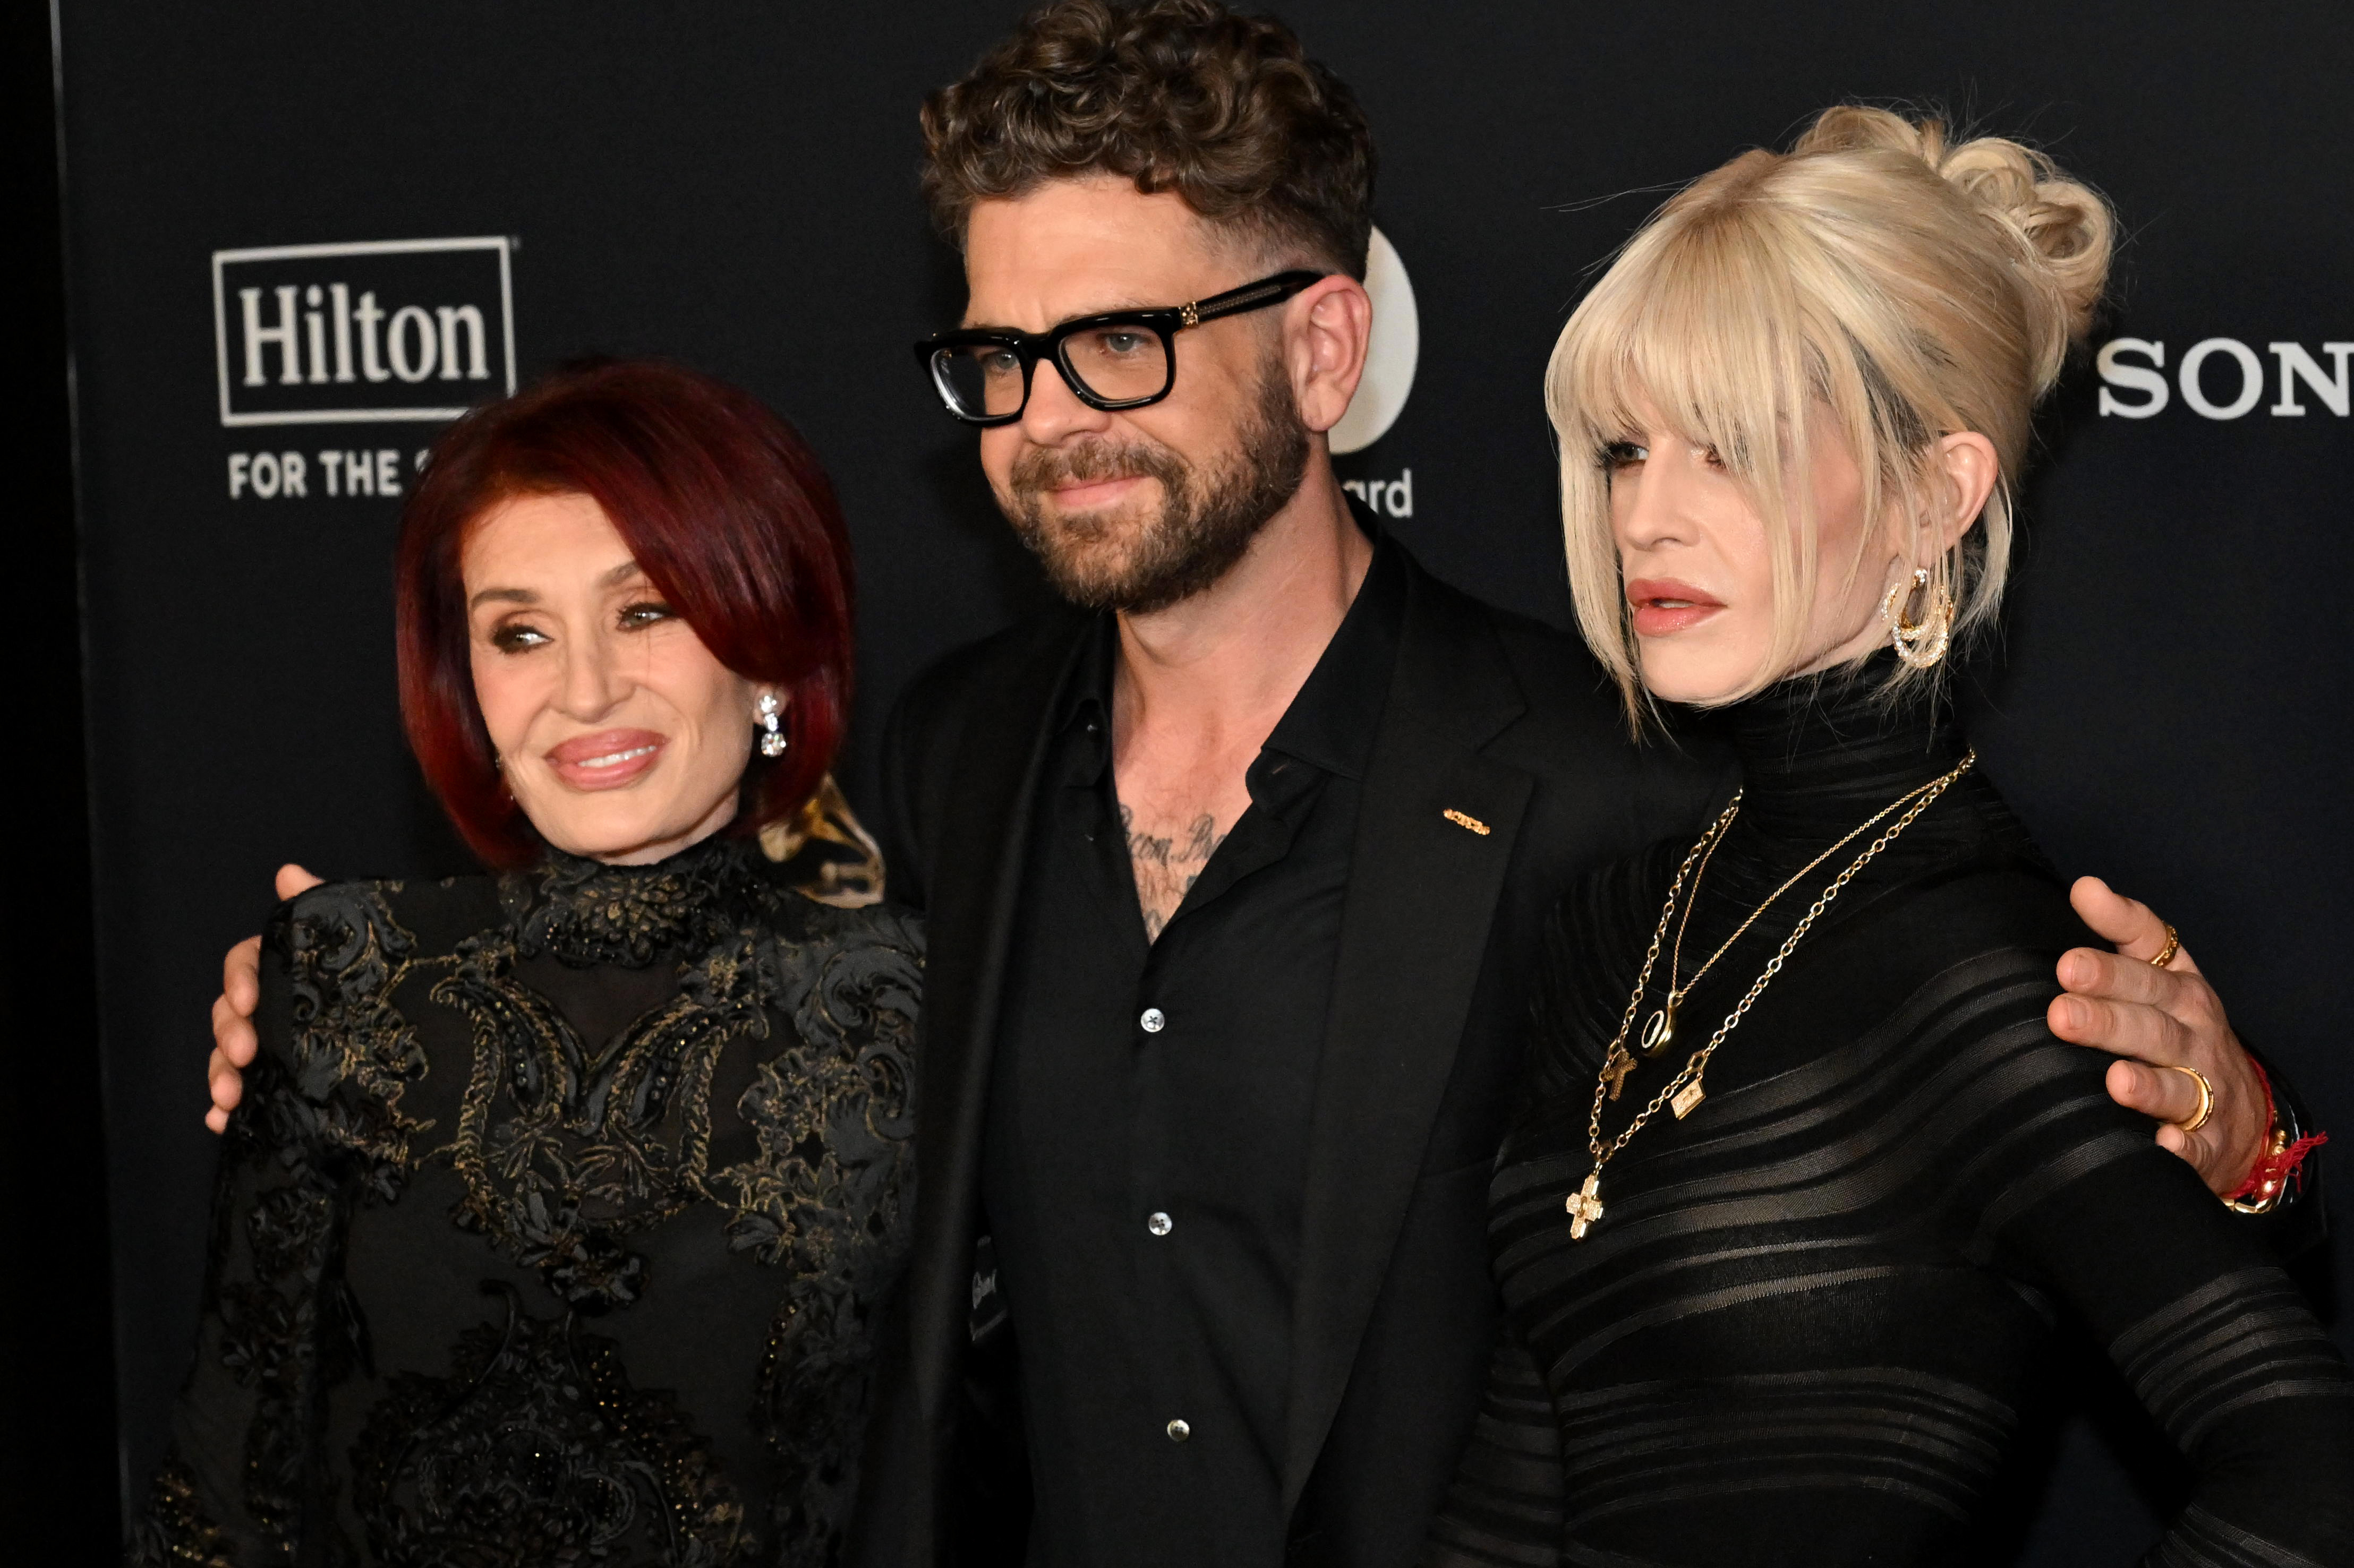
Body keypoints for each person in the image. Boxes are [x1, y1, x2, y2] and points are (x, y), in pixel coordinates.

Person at [203, 5, 2318, 1565]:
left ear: (1320, 352)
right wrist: (382, 1007)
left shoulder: (1617, 790)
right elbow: (725, 1049)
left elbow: (1927, 1246)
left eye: (1122, 341)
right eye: (1001, 358)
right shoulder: (950, 755)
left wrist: (2244, 1157)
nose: (1051, 417)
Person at [1420, 109, 2350, 1568]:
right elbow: (1523, 1480)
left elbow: (2308, 1473)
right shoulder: (1620, 924)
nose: (1645, 517)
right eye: (1623, 448)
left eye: (1729, 449)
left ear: (1935, 495)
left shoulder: (1987, 970)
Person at [136, 361, 923, 1567]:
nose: (585, 690)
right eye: (521, 632)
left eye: (645, 611)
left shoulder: (915, 1009)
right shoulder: (348, 977)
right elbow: (225, 1500)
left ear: (769, 645)